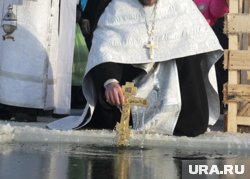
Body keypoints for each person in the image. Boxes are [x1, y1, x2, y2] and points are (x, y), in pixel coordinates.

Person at [48, 0, 223, 137]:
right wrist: (110, 82)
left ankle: (183, 120)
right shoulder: (118, 7)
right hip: (131, 89)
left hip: (172, 90)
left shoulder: (181, 6)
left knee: (190, 51)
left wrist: (172, 47)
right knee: (110, 107)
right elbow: (104, 47)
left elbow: (199, 43)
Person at [194, 0, 229, 113]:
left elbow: (217, 12)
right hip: (195, 35)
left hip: (213, 34)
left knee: (219, 66)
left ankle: (222, 101)